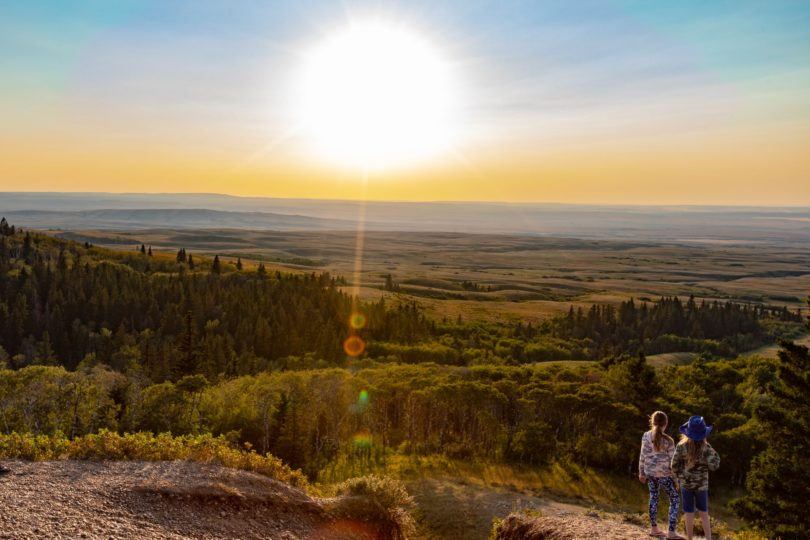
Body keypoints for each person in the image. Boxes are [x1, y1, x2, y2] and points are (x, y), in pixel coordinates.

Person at [671, 416, 720, 540]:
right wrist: (712, 453)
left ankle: (689, 538)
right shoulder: (707, 448)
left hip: (685, 485)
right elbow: (714, 466)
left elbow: (674, 465)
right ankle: (708, 538)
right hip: (702, 486)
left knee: (688, 512)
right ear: (704, 433)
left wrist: (679, 478)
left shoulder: (681, 446)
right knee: (704, 512)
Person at [639, 411, 684, 539]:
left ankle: (654, 529)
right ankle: (671, 532)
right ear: (666, 423)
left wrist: (641, 472)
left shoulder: (645, 436)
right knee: (675, 500)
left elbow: (643, 455)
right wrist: (676, 481)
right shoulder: (669, 440)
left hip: (650, 474)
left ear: (652, 422)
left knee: (653, 498)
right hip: (665, 475)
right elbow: (673, 463)